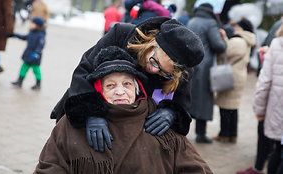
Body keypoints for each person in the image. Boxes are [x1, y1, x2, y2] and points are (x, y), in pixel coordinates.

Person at [35, 46, 213, 174]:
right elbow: (50, 167)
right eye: (110, 85)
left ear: (137, 89)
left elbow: (195, 168)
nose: (119, 91)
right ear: (98, 90)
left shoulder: (158, 121)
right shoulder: (72, 124)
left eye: (127, 84)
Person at [50, 16, 204, 152]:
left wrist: (172, 113)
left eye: (163, 72)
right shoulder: (120, 34)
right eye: (154, 60)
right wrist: (91, 112)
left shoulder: (182, 68)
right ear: (152, 43)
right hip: (89, 113)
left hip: (132, 132)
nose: (152, 69)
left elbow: (182, 105)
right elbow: (83, 72)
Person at [186, 3, 227, 143]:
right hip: (205, 66)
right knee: (203, 100)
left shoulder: (191, 21)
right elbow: (218, 46)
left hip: (191, 64)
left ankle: (182, 131)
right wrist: (224, 39)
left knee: (189, 98)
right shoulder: (210, 23)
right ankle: (200, 134)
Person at [213, 18, 256, 143]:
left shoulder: (238, 40)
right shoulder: (248, 40)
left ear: (241, 27)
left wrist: (224, 38)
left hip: (231, 76)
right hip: (239, 74)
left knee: (225, 106)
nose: (235, 28)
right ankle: (232, 134)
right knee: (233, 106)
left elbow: (225, 52)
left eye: (236, 26)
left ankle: (225, 134)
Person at [251, 24, 283, 174]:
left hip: (278, 108)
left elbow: (264, 83)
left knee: (278, 150)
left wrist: (259, 109)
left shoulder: (277, 44)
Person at [10, 16, 46, 90]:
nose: (31, 25)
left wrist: (37, 53)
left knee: (36, 70)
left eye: (33, 24)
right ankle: (19, 81)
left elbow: (41, 45)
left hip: (35, 56)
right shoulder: (31, 33)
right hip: (28, 54)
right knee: (23, 68)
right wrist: (15, 35)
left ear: (37, 25)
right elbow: (24, 37)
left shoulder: (41, 35)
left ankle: (38, 83)